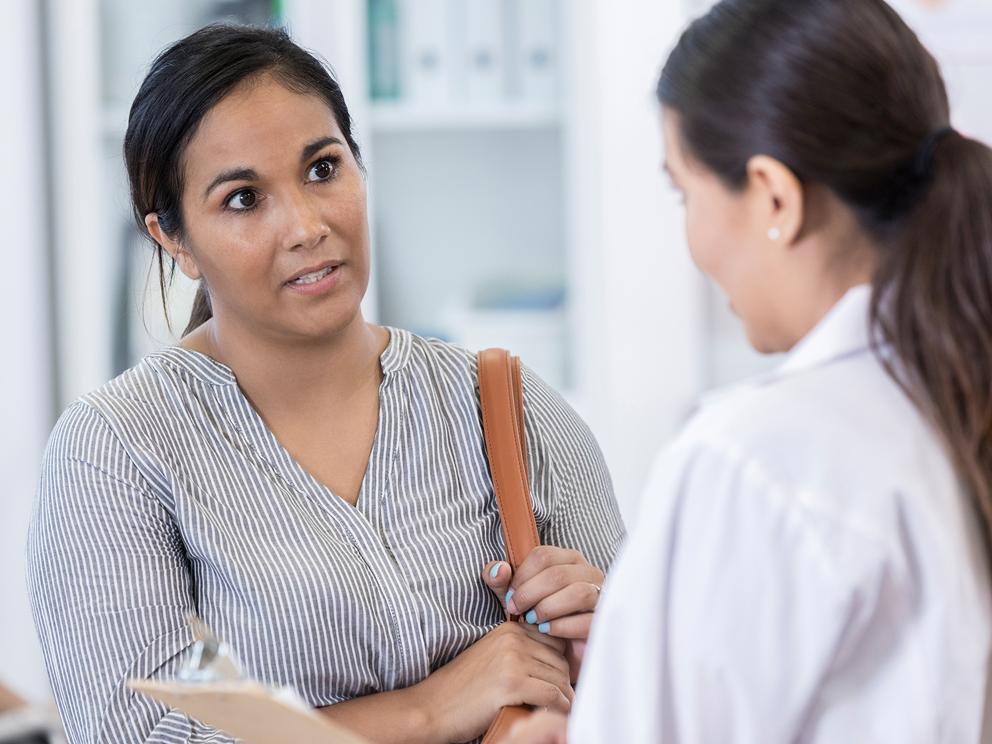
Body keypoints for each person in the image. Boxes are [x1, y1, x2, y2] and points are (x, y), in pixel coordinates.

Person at [25, 25, 624, 744]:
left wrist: (608, 635)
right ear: (173, 240)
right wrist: (430, 709)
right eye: (244, 199)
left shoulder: (508, 405)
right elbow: (147, 736)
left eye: (322, 169)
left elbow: (656, 700)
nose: (307, 226)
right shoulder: (117, 455)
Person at [507, 0, 992, 742]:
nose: (690, 237)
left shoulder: (752, 459)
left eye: (685, 191)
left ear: (773, 195)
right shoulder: (953, 391)